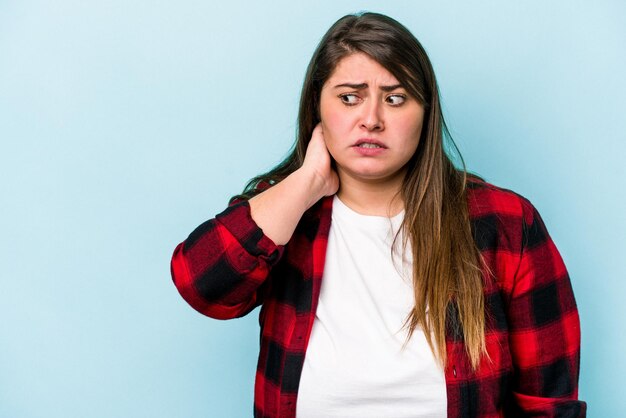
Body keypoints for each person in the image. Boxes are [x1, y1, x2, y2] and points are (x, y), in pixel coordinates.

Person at [170, 12, 586, 418]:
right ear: (318, 109)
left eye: (395, 98)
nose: (370, 119)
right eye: (349, 97)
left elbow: (549, 403)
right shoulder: (283, 210)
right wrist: (305, 181)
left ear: (425, 114)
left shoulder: (506, 222)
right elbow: (200, 286)